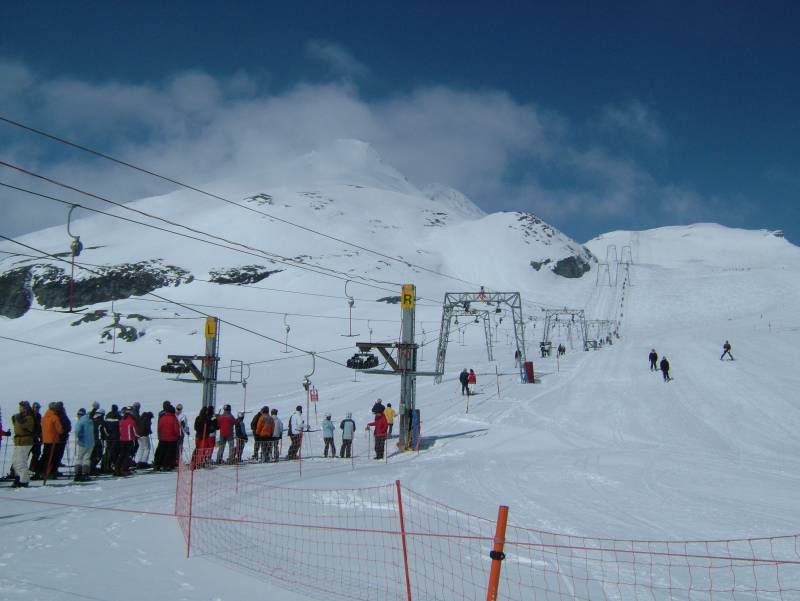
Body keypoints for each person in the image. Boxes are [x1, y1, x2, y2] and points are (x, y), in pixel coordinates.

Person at [10, 401, 35, 488]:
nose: (19, 408)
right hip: (18, 441)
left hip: (25, 441)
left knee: (21, 462)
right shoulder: (20, 416)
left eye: (21, 407)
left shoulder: (29, 417)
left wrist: (17, 418)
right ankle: (18, 478)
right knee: (15, 461)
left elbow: (23, 426)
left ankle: (24, 481)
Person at [40, 402, 64, 480]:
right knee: (53, 458)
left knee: (45, 456)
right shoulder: (54, 417)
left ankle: (42, 471)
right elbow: (59, 430)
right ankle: (49, 473)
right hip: (54, 441)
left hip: (46, 440)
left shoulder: (44, 417)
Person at [154, 404, 180, 471]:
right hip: (172, 438)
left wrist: (160, 435)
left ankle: (157, 464)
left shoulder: (162, 418)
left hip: (162, 438)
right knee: (170, 452)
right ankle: (167, 465)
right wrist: (177, 435)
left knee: (161, 452)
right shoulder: (174, 418)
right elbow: (176, 429)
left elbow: (159, 427)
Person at [116, 407, 138, 476]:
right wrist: (138, 436)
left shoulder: (121, 421)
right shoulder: (132, 421)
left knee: (122, 454)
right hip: (129, 440)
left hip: (122, 439)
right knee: (128, 455)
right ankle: (124, 469)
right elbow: (135, 432)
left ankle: (117, 468)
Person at [74, 408, 94, 482]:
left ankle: (78, 474)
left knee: (80, 458)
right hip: (89, 442)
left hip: (83, 442)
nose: (79, 416)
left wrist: (80, 437)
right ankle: (84, 474)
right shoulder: (88, 421)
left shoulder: (80, 422)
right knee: (86, 458)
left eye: (80, 414)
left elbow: (77, 432)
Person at [53, 401, 72, 476]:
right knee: (58, 454)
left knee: (57, 454)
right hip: (61, 437)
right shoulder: (61, 415)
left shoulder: (57, 414)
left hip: (60, 437)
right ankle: (54, 470)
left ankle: (54, 469)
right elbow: (66, 425)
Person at [101, 405, 121, 474]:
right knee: (114, 452)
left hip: (109, 437)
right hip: (116, 437)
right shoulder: (118, 416)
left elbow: (104, 427)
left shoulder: (107, 415)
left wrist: (107, 435)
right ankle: (111, 466)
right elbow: (120, 427)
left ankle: (105, 466)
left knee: (108, 451)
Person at [28, 402, 42, 476]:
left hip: (35, 438)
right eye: (36, 408)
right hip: (29, 439)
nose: (37, 409)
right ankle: (15, 470)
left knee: (37, 453)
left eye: (38, 408)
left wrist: (41, 435)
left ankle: (32, 468)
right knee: (25, 455)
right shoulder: (29, 416)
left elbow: (39, 427)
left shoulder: (39, 416)